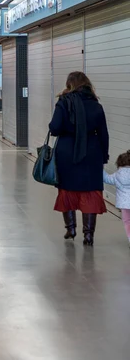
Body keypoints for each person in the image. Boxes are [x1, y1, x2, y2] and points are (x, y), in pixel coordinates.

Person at [49, 71, 109, 247]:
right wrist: (103, 155)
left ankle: (71, 229)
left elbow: (54, 128)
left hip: (67, 152)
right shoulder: (96, 105)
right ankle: (89, 235)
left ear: (69, 84)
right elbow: (104, 134)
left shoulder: (63, 102)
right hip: (91, 153)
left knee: (67, 189)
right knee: (90, 191)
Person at [103, 151, 130, 247]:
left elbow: (106, 179)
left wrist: (100, 169)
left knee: (127, 221)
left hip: (124, 205)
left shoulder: (117, 175)